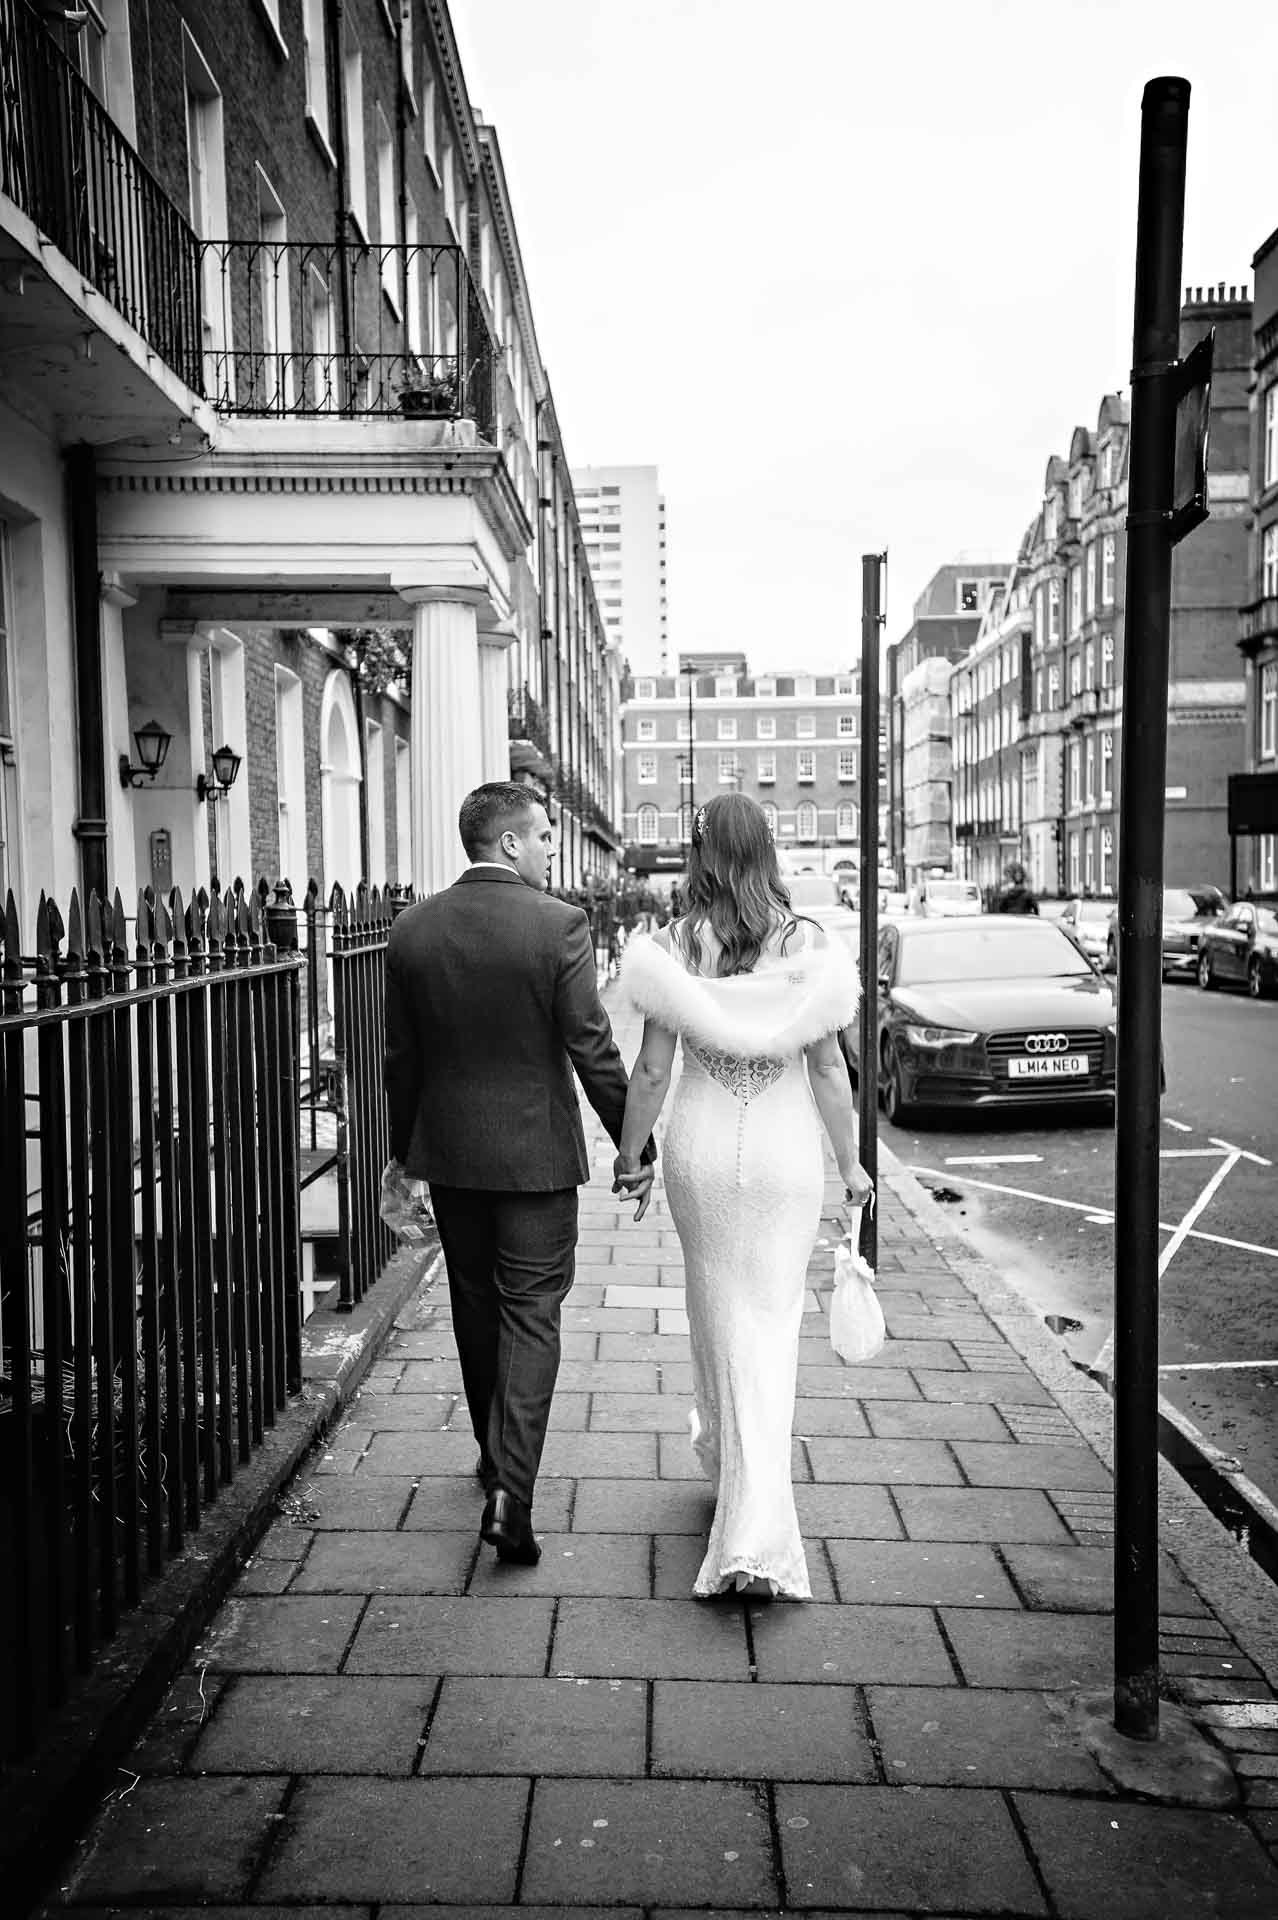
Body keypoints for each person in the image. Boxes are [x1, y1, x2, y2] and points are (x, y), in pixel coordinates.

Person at [384, 782, 654, 1567]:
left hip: (454, 1159)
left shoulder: (411, 931)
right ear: (507, 843)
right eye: (542, 838)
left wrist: (402, 1157)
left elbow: (402, 1060)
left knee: (475, 1308)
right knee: (532, 1315)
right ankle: (512, 1496)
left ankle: (493, 1457)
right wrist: (632, 1146)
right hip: (537, 1161)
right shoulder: (557, 926)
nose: (549, 851)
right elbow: (592, 1048)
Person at [614, 793, 870, 1600]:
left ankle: (750, 1521)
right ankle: (739, 1474)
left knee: (717, 1311)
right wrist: (854, 1165)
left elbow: (653, 1070)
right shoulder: (811, 947)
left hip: (702, 1153)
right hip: (786, 1157)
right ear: (766, 853)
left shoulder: (671, 948)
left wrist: (631, 1158)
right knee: (769, 1324)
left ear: (700, 857)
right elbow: (830, 1070)